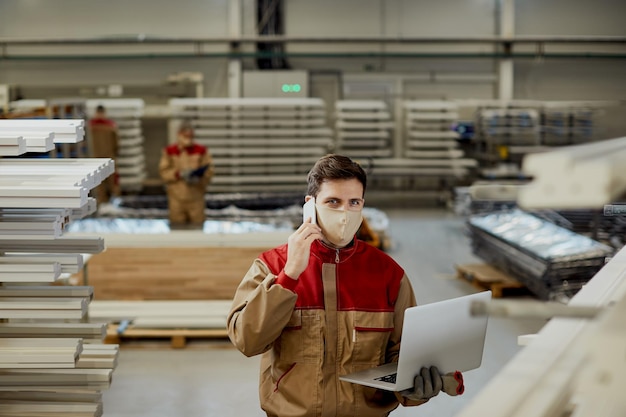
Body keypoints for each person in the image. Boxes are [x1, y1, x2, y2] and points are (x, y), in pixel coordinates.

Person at [227, 154, 464, 417]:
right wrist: (290, 274)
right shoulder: (271, 266)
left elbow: (403, 353)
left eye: (354, 202)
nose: (344, 213)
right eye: (333, 202)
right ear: (310, 204)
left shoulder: (388, 274)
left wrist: (414, 388)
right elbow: (247, 341)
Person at [159, 120, 214, 227]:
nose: (188, 139)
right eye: (185, 135)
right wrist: (178, 174)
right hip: (176, 198)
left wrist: (200, 177)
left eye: (190, 136)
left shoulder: (201, 150)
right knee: (177, 227)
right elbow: (163, 172)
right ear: (179, 134)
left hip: (196, 197)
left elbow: (210, 170)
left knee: (197, 227)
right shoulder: (170, 151)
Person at [89, 105, 120, 204]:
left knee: (99, 183)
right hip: (108, 156)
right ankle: (112, 202)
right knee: (111, 181)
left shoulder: (90, 126)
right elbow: (116, 143)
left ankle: (101, 202)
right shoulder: (111, 126)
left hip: (95, 157)